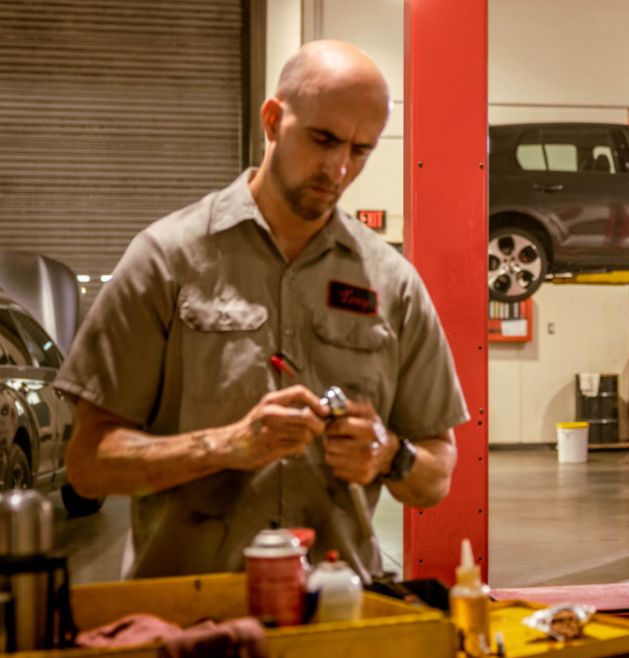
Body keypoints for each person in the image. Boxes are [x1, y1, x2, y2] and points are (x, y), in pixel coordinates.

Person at [55, 41, 469, 581]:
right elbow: (88, 466)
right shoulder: (168, 260)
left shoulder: (392, 284)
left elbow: (436, 476)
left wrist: (389, 455)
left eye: (361, 150)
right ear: (273, 120)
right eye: (322, 139)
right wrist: (226, 445)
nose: (339, 168)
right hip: (191, 623)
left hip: (337, 622)